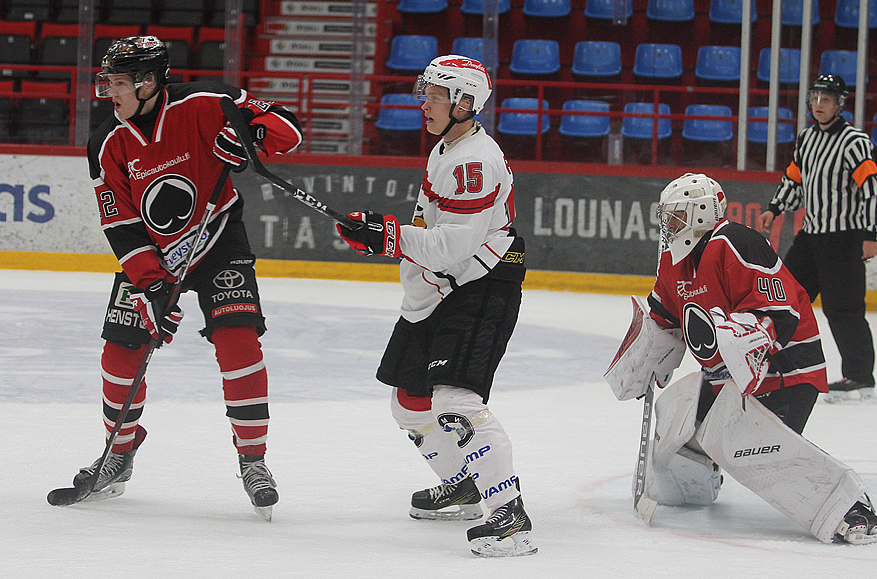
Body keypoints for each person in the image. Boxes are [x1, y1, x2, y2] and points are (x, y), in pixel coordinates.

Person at [65, 36, 303, 520]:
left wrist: (250, 135)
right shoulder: (104, 143)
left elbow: (289, 130)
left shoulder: (208, 101)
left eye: (119, 82)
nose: (109, 92)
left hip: (218, 241)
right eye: (108, 82)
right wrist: (151, 284)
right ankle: (119, 452)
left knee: (239, 343)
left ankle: (253, 460)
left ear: (149, 82)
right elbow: (120, 222)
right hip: (154, 257)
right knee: (120, 354)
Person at [605, 173, 877, 545]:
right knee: (676, 419)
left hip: (785, 368)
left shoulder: (734, 242)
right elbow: (664, 318)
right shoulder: (672, 260)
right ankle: (693, 485)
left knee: (746, 443)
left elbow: (780, 313)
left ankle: (849, 508)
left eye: (677, 215)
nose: (669, 224)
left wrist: (746, 341)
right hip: (729, 376)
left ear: (702, 213)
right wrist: (646, 357)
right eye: (668, 216)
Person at [336, 55, 535, 557]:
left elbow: (452, 248)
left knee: (455, 401)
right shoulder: (447, 149)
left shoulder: (474, 161)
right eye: (425, 93)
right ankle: (464, 485)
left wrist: (388, 237)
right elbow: (431, 236)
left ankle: (510, 517)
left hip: (483, 283)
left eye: (436, 96)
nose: (424, 103)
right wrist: (388, 239)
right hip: (447, 286)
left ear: (465, 103)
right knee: (409, 402)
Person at [757, 74, 877, 403]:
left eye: (826, 99)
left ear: (839, 104)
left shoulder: (853, 141)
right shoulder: (807, 138)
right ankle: (778, 365)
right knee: (785, 299)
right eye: (815, 98)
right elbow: (794, 179)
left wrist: (869, 233)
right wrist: (775, 207)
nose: (818, 105)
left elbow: (873, 190)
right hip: (811, 236)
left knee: (843, 310)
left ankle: (860, 378)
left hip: (844, 238)